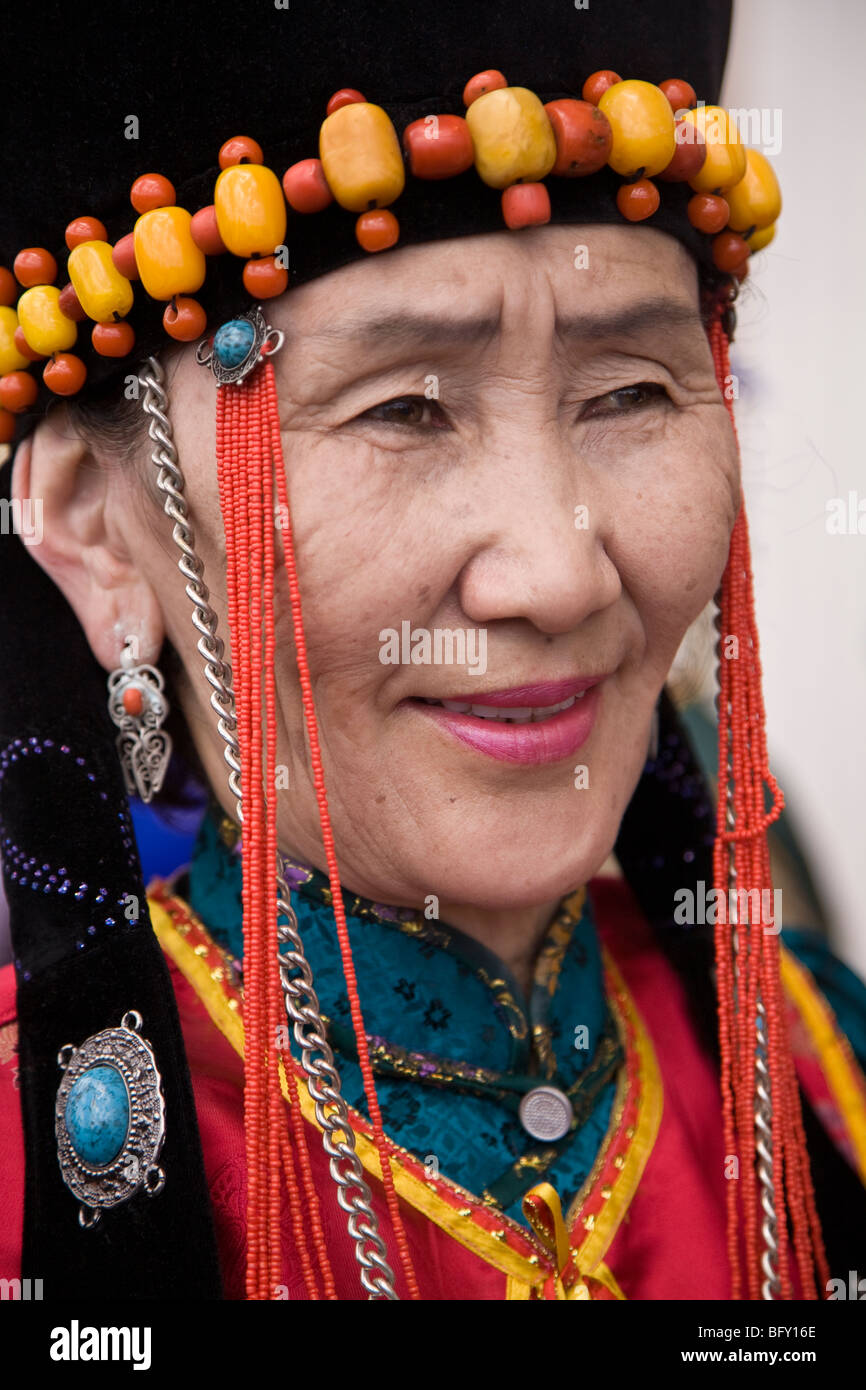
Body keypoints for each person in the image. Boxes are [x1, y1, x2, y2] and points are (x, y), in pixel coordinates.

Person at [0, 0, 864, 1303]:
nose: (560, 569)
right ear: (93, 528)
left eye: (630, 390)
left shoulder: (828, 1070)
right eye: (402, 407)